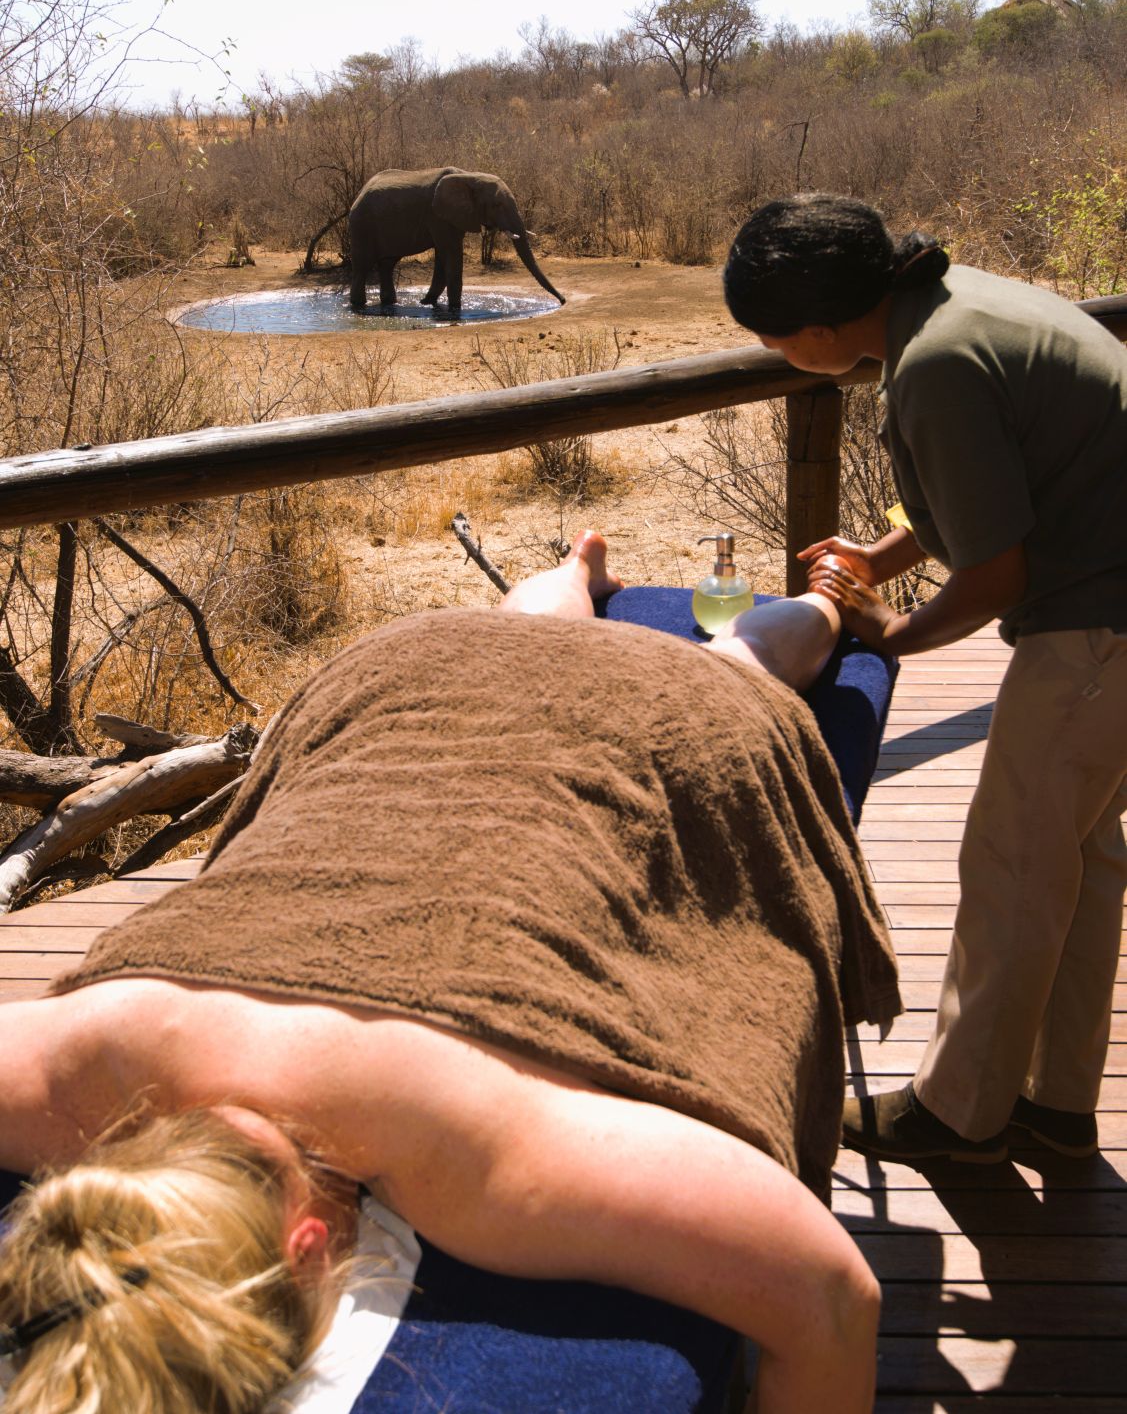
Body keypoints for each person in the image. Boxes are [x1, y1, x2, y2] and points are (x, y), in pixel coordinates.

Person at [0, 534, 897, 1414]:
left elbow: (831, 1301)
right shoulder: (51, 1077)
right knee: (523, 635)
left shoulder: (488, 1159)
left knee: (742, 664)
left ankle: (828, 600)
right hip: (397, 681)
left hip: (647, 718)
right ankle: (578, 573)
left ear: (315, 1248)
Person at [724, 191, 1127, 1166]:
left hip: (1097, 627)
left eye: (779, 340)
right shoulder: (960, 305)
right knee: (1077, 859)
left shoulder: (934, 366)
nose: (782, 357)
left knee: (1012, 867)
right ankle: (1052, 1101)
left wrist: (887, 634)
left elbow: (999, 572)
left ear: (821, 329)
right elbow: (994, 496)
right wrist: (879, 552)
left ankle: (957, 1114)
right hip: (1107, 607)